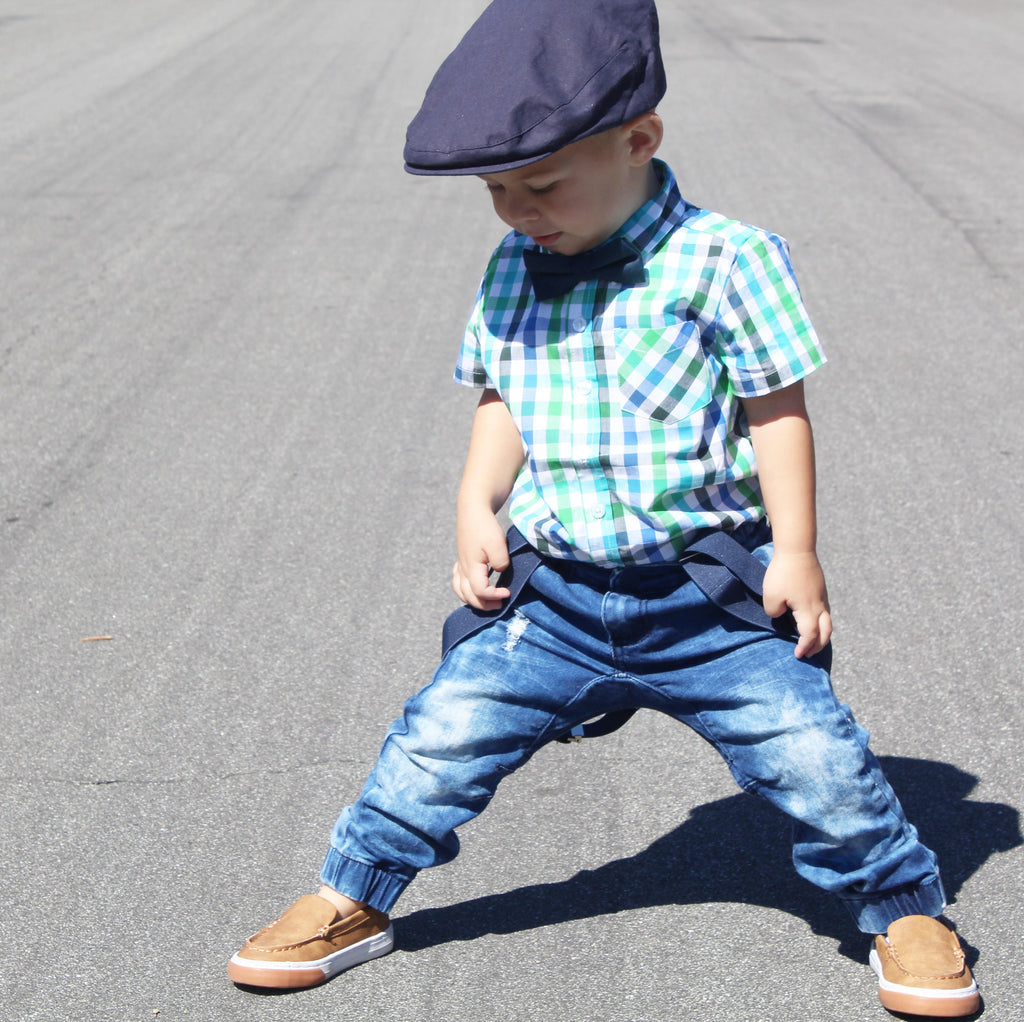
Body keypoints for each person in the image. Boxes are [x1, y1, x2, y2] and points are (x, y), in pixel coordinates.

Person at [227, 1, 980, 1015]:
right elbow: (503, 389)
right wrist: (475, 496)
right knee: (438, 737)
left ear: (639, 140)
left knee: (814, 756)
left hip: (707, 597)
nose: (515, 209)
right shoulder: (514, 267)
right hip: (556, 594)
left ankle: (904, 906)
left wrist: (795, 549)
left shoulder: (727, 260)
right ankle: (349, 896)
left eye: (539, 183)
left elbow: (777, 412)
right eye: (495, 189)